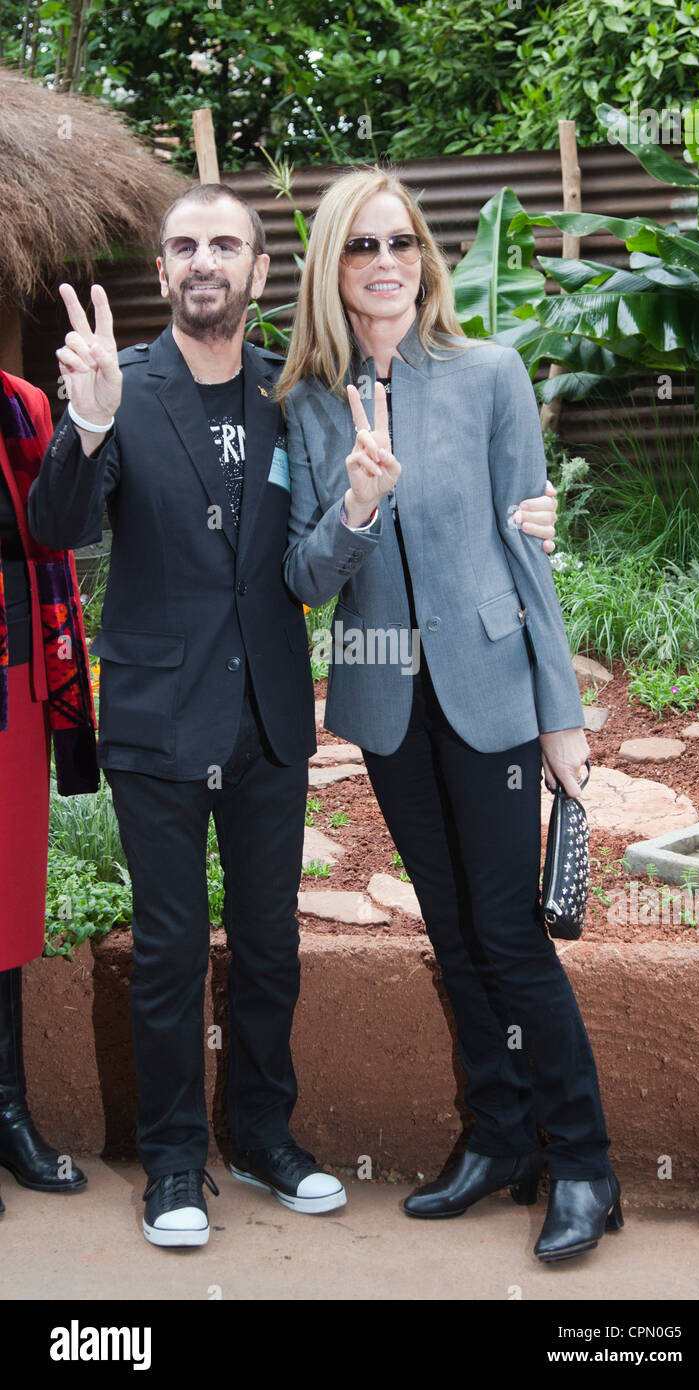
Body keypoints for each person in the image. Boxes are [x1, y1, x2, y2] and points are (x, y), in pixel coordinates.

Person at [28, 181, 557, 1249]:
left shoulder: (294, 395)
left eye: (227, 244)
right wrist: (84, 426)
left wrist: (525, 519)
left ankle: (265, 1135)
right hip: (158, 720)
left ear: (262, 272)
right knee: (174, 951)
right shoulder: (121, 388)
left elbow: (356, 532)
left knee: (272, 947)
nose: (206, 261)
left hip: (269, 716)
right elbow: (56, 526)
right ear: (165, 271)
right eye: (186, 247)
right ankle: (176, 1163)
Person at [278, 165, 622, 1264]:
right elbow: (304, 577)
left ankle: (586, 1164)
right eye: (362, 246)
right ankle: (502, 1138)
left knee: (511, 937)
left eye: (402, 242)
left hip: (490, 693)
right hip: (389, 705)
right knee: (455, 936)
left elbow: (531, 548)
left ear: (422, 255)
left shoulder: (488, 374)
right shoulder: (308, 404)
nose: (386, 262)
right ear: (331, 266)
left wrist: (561, 713)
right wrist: (358, 504)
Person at [0, 367, 94, 1215]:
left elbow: (55, 539)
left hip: (14, 687)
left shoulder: (22, 407)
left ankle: (8, 1112)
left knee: (1, 916)